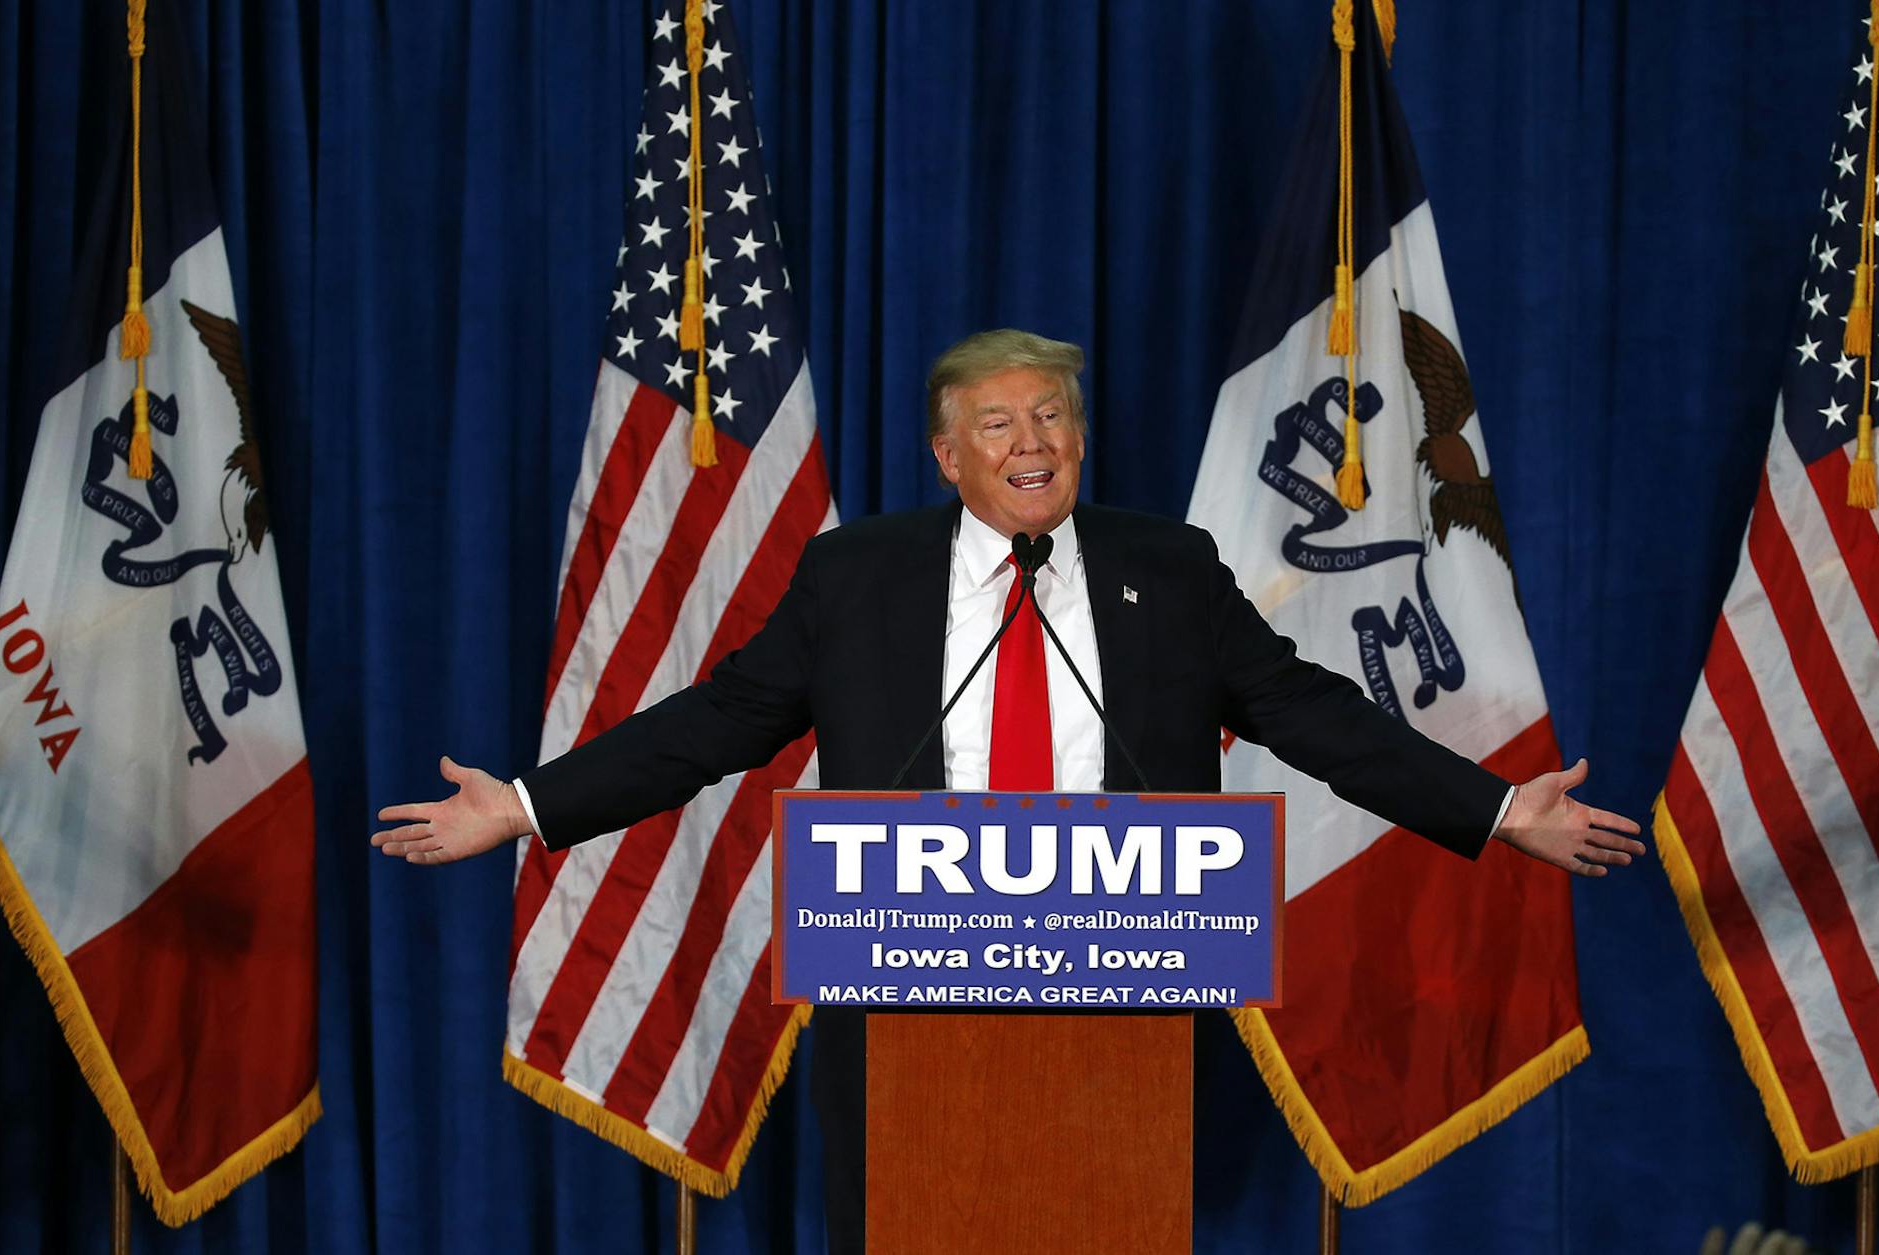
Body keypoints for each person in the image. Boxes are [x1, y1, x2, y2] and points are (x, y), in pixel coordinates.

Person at [373, 328, 1645, 1248]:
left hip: (1119, 984)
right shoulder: (855, 578)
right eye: (1000, 423)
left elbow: (1309, 714)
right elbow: (719, 721)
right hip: (903, 990)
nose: (1032, 443)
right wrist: (528, 806)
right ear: (947, 454)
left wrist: (1493, 806)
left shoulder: (1171, 566)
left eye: (1052, 418)